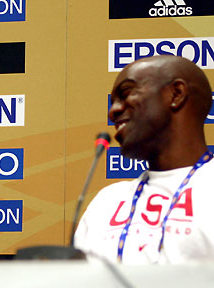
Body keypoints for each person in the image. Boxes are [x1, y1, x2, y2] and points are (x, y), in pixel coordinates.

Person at [75, 55, 214, 264]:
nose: (113, 112)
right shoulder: (106, 203)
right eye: (113, 102)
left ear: (176, 94)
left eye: (126, 93)